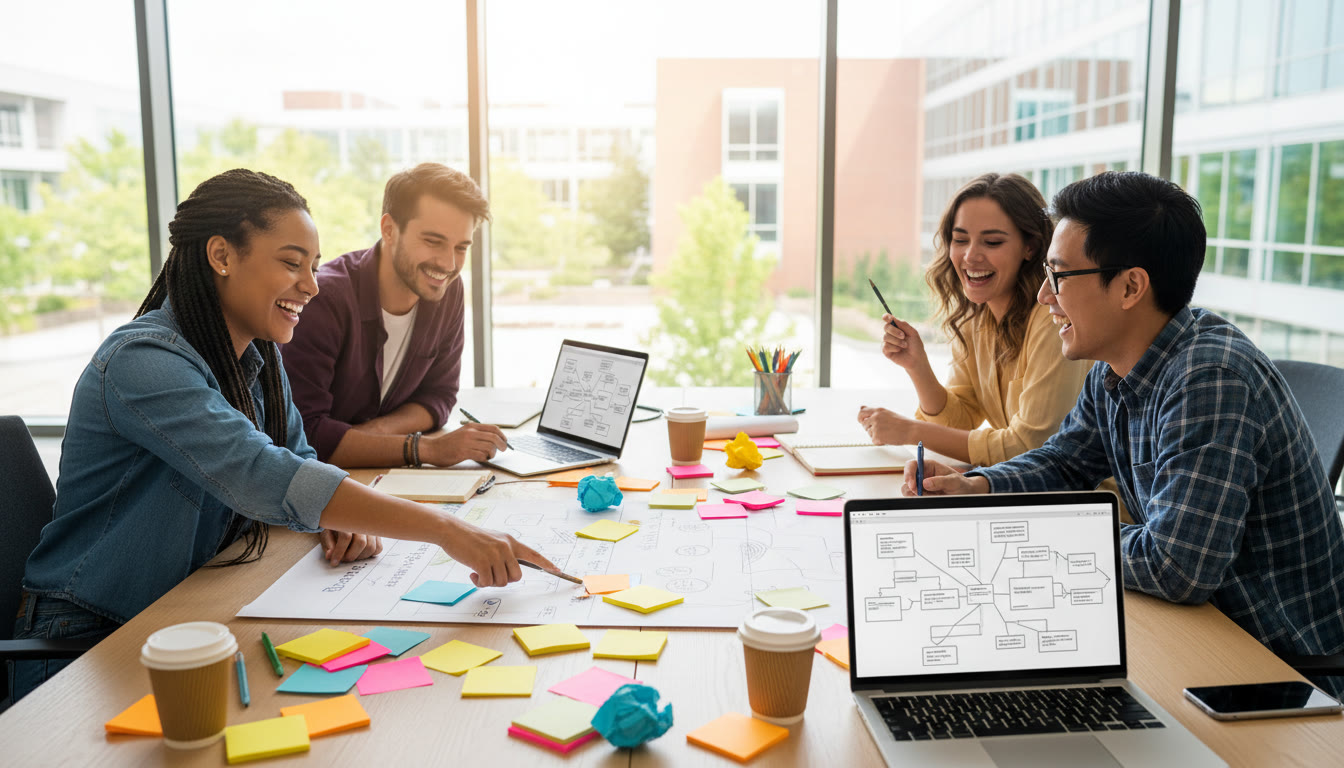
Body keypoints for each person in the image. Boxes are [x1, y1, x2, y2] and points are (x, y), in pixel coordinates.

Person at [10, 169, 556, 703]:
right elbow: (261, 474)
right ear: (222, 256)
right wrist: (446, 531)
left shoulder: (256, 357)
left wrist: (333, 518)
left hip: (189, 609)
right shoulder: (143, 362)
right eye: (292, 264)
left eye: (314, 267)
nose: (313, 286)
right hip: (90, 634)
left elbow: (300, 457)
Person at [907, 171, 1344, 668]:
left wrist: (1031, 530)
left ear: (1131, 286)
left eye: (1059, 277)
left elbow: (1177, 565)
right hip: (1194, 630)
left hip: (1276, 666)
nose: (1044, 296)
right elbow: (1064, 462)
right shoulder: (1116, 364)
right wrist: (978, 487)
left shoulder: (1211, 378)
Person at [280, 162, 506, 468]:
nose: (448, 264)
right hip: (321, 491)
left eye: (461, 247)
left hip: (381, 477)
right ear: (389, 229)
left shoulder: (447, 291)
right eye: (433, 241)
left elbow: (440, 396)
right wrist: (425, 449)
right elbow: (303, 436)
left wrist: (376, 434)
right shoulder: (325, 300)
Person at [858, 173, 1092, 468]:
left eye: (992, 242)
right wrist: (917, 367)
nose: (970, 256)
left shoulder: (1052, 319)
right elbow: (959, 423)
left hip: (1085, 503)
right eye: (960, 240)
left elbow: (1031, 447)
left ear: (1030, 247)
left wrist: (909, 431)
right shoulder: (976, 318)